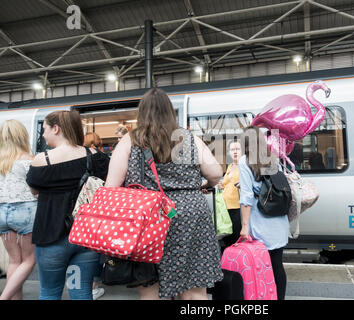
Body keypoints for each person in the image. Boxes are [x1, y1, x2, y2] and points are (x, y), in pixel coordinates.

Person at [105, 87, 223, 300]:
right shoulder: (188, 138)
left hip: (147, 218)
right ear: (171, 112)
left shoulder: (129, 141)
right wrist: (198, 185)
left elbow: (110, 188)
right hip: (191, 215)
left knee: (151, 289)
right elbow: (216, 173)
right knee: (195, 290)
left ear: (141, 112)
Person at [26, 110, 110, 300]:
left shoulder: (42, 160)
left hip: (51, 240)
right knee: (80, 291)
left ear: (56, 129)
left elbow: (33, 190)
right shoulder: (95, 156)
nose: (43, 134)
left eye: (45, 129)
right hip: (85, 239)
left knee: (50, 292)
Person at [238, 126, 289, 300]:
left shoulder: (245, 161)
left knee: (261, 267)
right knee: (277, 265)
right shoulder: (273, 159)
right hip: (279, 222)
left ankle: (264, 298)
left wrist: (244, 226)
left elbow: (246, 197)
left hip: (261, 224)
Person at [0, 120, 37, 300]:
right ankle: (5, 297)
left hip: (1, 213)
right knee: (29, 259)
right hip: (25, 211)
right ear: (23, 136)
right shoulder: (30, 161)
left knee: (15, 261)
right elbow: (36, 189)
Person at [83, 131, 105, 300]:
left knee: (84, 246)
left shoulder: (79, 156)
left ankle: (84, 284)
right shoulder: (105, 158)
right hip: (101, 207)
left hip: (83, 206)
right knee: (97, 248)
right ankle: (94, 286)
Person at [218, 140, 242, 248]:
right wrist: (221, 185)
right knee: (227, 239)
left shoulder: (244, 165)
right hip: (226, 207)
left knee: (236, 239)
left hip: (237, 207)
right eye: (232, 149)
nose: (235, 152)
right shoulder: (231, 166)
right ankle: (228, 263)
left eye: (237, 149)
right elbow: (228, 183)